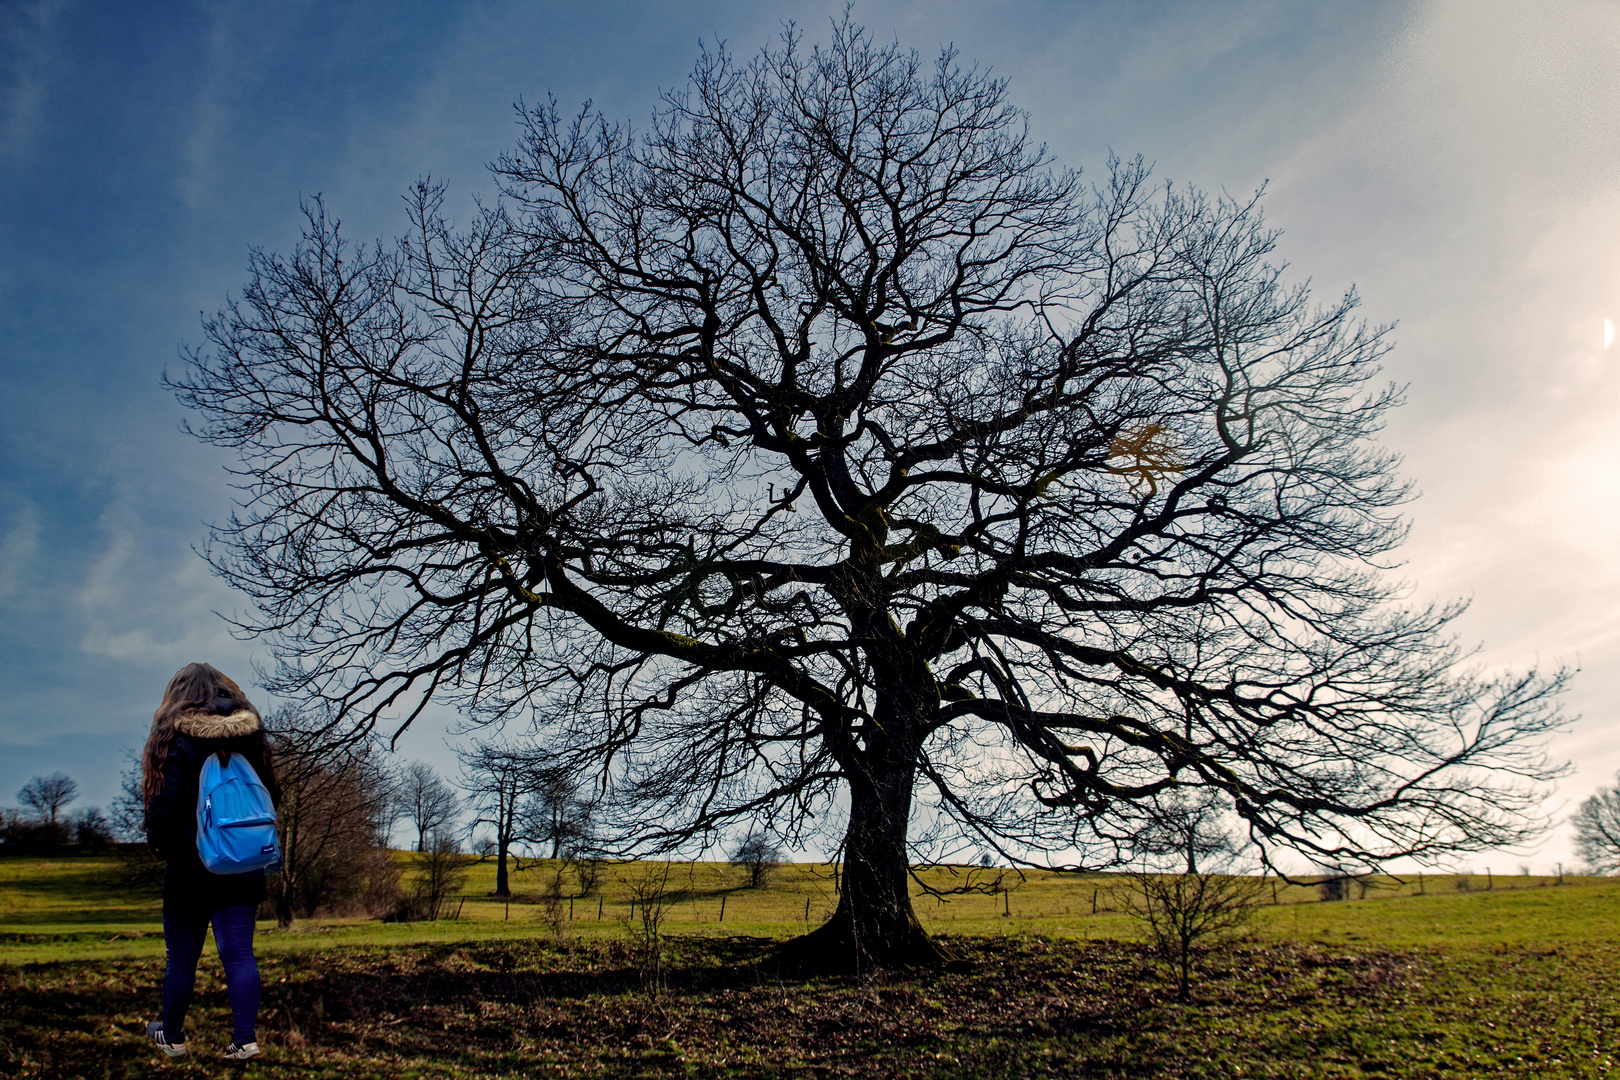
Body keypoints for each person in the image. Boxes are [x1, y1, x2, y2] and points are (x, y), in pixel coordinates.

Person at [142, 662, 280, 1062]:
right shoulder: (251, 735)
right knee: (239, 953)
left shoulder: (172, 736)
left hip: (189, 866)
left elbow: (163, 808)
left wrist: (160, 844)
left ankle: (172, 1038)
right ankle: (244, 1040)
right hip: (242, 862)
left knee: (182, 958)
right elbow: (274, 796)